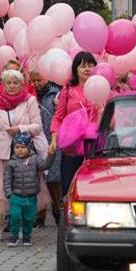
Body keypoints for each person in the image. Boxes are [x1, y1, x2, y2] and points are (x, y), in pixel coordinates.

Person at [0, 69, 48, 240]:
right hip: (1, 152)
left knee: (23, 188)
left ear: (21, 84)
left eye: (15, 82)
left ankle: (22, 226)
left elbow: (37, 126)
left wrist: (20, 129)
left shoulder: (29, 100)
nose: (11, 86)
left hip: (23, 151)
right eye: (8, 82)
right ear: (3, 84)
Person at [49, 52, 99, 203]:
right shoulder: (68, 89)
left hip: (94, 145)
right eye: (83, 66)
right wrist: (53, 140)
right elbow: (58, 117)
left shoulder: (100, 87)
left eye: (90, 65)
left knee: (93, 185)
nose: (87, 69)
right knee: (69, 186)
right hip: (72, 145)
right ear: (75, 69)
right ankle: (67, 214)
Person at [4, 133, 54, 247]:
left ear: (29, 147)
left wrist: (51, 155)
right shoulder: (11, 163)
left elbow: (45, 166)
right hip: (16, 196)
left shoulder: (35, 159)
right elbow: (7, 179)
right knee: (15, 216)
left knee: (29, 218)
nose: (20, 150)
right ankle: (14, 235)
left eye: (23, 147)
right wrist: (9, 193)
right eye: (17, 147)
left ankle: (26, 236)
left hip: (31, 196)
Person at [30, 70, 63, 226]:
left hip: (52, 139)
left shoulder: (56, 94)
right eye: (33, 81)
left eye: (39, 80)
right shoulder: (30, 95)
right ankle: (39, 215)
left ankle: (58, 211)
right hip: (35, 140)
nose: (36, 84)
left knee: (53, 179)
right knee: (37, 179)